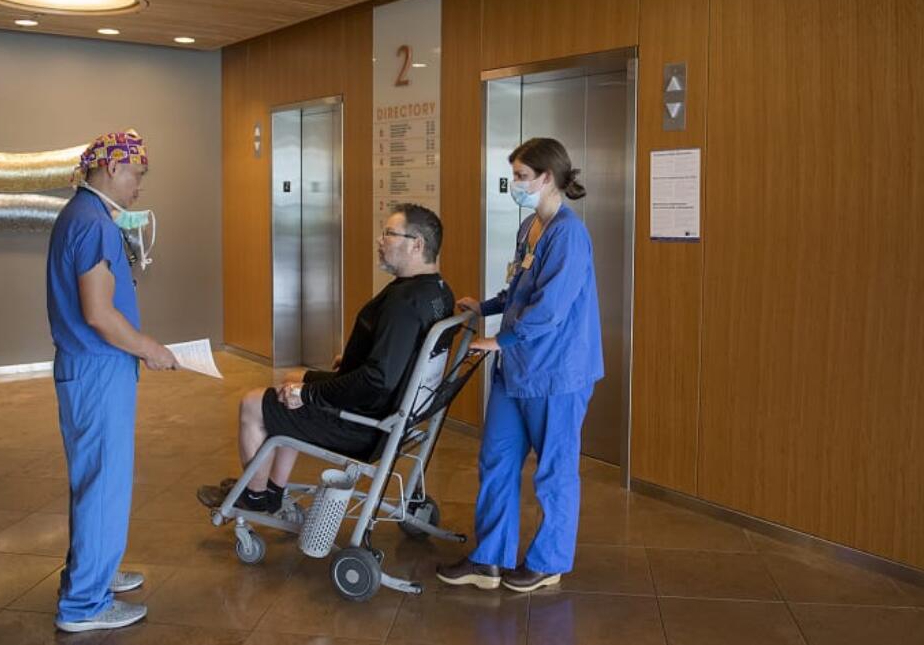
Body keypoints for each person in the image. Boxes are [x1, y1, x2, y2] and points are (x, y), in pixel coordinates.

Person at [197, 203, 453, 512]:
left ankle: (253, 498)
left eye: (388, 233)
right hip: (395, 411)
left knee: (253, 403)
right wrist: (351, 359)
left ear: (417, 244)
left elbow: (377, 380)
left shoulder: (404, 303)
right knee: (292, 379)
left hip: (366, 423)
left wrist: (309, 394)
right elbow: (398, 355)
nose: (379, 240)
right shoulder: (437, 291)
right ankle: (272, 490)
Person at [436, 137, 602, 593]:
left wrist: (499, 339)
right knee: (496, 458)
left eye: (522, 177)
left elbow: (550, 310)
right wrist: (484, 307)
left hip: (556, 373)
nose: (515, 185)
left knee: (553, 469)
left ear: (547, 178)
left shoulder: (570, 235)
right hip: (516, 368)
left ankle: (548, 561)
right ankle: (489, 558)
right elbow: (519, 292)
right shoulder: (530, 226)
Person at [46, 129, 177, 633]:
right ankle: (84, 605)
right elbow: (99, 313)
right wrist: (151, 350)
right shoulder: (96, 225)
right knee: (104, 485)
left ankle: (90, 574)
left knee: (92, 480)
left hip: (86, 367)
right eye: (137, 175)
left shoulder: (78, 214)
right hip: (99, 368)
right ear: (112, 169)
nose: (140, 187)